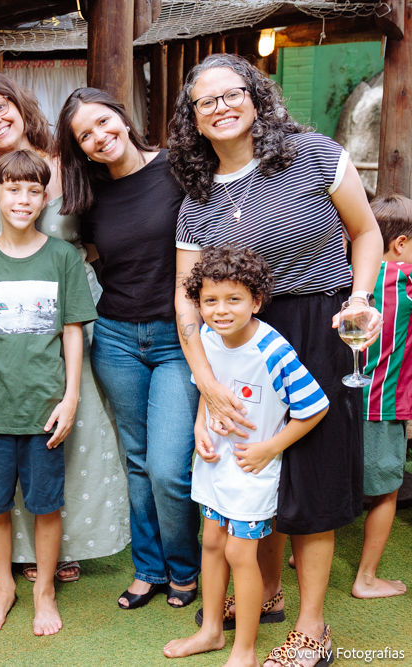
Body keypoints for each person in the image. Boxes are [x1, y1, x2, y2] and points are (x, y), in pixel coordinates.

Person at [168, 53, 383, 666]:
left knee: (310, 480)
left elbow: (367, 233)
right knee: (252, 474)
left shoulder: (314, 153)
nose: (221, 107)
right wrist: (206, 383)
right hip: (236, 343)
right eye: (206, 102)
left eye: (232, 93)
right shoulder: (197, 200)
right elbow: (187, 299)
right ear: (193, 120)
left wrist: (360, 299)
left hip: (318, 326)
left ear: (256, 96)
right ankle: (266, 594)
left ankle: (313, 632)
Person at [0, 71, 129, 584]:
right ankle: (8, 551)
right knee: (8, 435)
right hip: (4, 323)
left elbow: (101, 229)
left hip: (68, 306)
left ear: (19, 102)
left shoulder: (66, 163)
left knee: (73, 428)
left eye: (0, 106)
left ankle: (65, 544)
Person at [57, 88, 200, 609]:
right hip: (116, 337)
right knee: (136, 461)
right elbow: (94, 255)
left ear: (121, 115)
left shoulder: (178, 168)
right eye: (84, 136)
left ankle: (185, 568)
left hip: (177, 338)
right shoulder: (89, 196)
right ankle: (150, 569)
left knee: (168, 465)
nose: (99, 137)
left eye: (103, 122)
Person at [0, 150, 97, 636]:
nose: (23, 199)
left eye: (34, 190)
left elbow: (73, 331)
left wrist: (70, 398)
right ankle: (4, 587)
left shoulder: (63, 257)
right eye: (13, 189)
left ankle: (44, 590)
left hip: (46, 410)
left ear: (45, 197)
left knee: (45, 505)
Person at [163, 245, 329, 665]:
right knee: (211, 543)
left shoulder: (273, 351)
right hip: (215, 463)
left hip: (253, 470)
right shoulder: (204, 337)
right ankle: (211, 631)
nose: (220, 310)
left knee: (240, 554)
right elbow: (208, 388)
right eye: (210, 301)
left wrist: (269, 448)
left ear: (256, 302)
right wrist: (201, 426)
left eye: (233, 299)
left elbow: (315, 407)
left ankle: (245, 651)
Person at [351, 193, 412, 600]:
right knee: (386, 491)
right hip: (383, 403)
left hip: (339, 402)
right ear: (401, 244)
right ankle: (367, 578)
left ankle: (305, 555)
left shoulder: (347, 275)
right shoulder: (407, 280)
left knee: (336, 479)